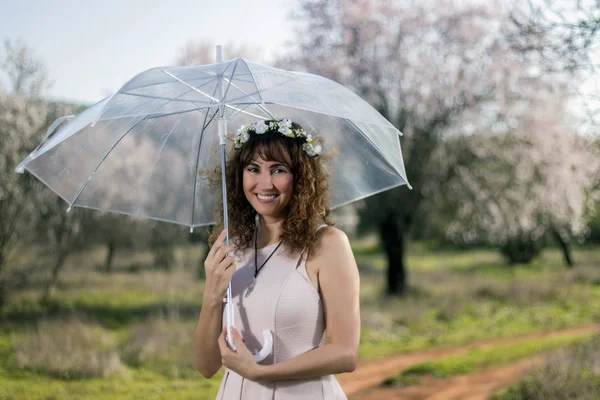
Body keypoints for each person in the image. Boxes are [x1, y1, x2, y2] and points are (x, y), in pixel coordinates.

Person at [193, 119, 360, 399]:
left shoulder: (327, 244)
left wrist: (261, 373)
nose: (265, 183)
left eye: (278, 170)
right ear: (239, 176)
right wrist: (211, 294)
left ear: (300, 177)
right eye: (253, 169)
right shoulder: (235, 250)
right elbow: (207, 366)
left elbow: (345, 353)